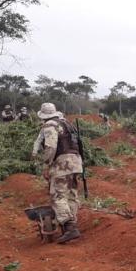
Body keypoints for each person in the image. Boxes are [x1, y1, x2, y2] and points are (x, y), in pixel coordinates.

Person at [35, 102, 83, 243]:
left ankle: (69, 227)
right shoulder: (67, 124)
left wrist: (46, 165)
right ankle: (70, 225)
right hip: (76, 162)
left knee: (58, 195)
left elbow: (50, 147)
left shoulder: (50, 125)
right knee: (71, 194)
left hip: (63, 163)